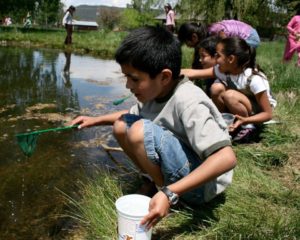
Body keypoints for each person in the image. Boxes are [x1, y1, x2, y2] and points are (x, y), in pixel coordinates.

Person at [71, 26, 236, 229]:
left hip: (202, 187)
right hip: (179, 170)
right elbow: (128, 117)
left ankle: (167, 194)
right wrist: (94, 120)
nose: (128, 86)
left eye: (134, 79)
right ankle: (154, 184)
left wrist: (171, 193)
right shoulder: (154, 92)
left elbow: (227, 158)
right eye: (126, 78)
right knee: (122, 125)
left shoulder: (189, 101)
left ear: (164, 77)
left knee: (139, 132)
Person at [181, 37, 277, 143]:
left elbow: (268, 114)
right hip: (243, 106)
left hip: (258, 111)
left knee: (229, 95)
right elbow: (193, 73)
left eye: (218, 55)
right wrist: (171, 71)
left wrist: (246, 120)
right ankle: (225, 123)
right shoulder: (225, 71)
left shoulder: (253, 79)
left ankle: (248, 128)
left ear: (230, 59)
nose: (216, 59)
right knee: (216, 88)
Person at [178, 20, 260, 49]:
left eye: (186, 43)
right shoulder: (207, 34)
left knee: (229, 51)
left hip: (250, 37)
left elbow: (227, 44)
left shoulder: (214, 31)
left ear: (194, 37)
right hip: (249, 31)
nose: (187, 46)